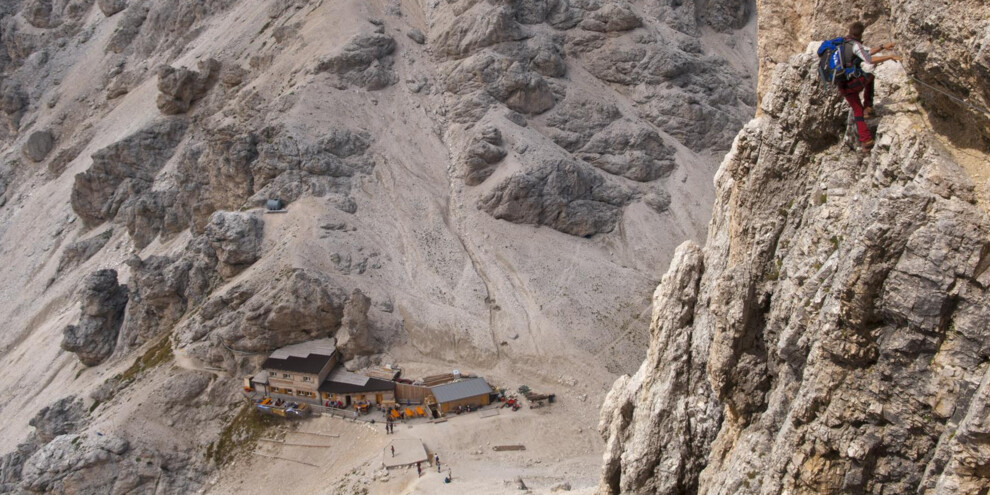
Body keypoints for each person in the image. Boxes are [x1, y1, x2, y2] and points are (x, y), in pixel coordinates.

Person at [836, 21, 901, 152]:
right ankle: (868, 107)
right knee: (870, 77)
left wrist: (882, 47)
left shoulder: (843, 43)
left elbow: (866, 52)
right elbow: (869, 59)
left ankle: (866, 142)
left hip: (842, 85)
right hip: (853, 83)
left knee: (857, 110)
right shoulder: (855, 45)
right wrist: (889, 57)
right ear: (861, 34)